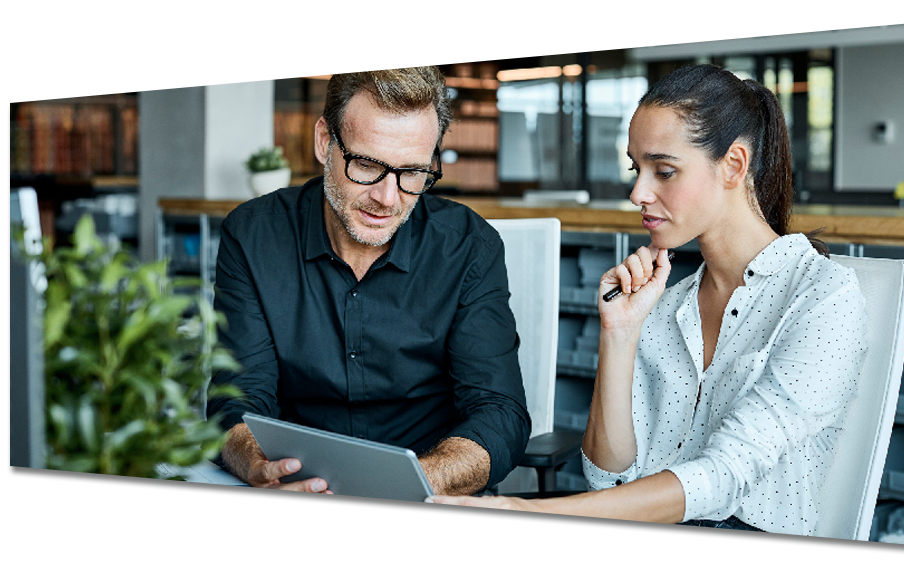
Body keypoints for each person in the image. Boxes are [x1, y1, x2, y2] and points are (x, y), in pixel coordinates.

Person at [417, 63, 867, 548]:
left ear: (734, 165)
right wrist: (620, 334)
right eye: (637, 169)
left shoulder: (823, 297)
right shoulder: (663, 302)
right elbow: (608, 478)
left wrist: (537, 521)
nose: (638, 193)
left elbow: (723, 477)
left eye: (664, 171)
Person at [207, 50, 531, 522]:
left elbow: (499, 413)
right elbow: (236, 398)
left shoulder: (469, 247)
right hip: (295, 498)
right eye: (365, 165)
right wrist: (261, 468)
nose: (386, 197)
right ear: (324, 142)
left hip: (426, 506)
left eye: (412, 173)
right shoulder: (253, 235)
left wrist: (411, 482)